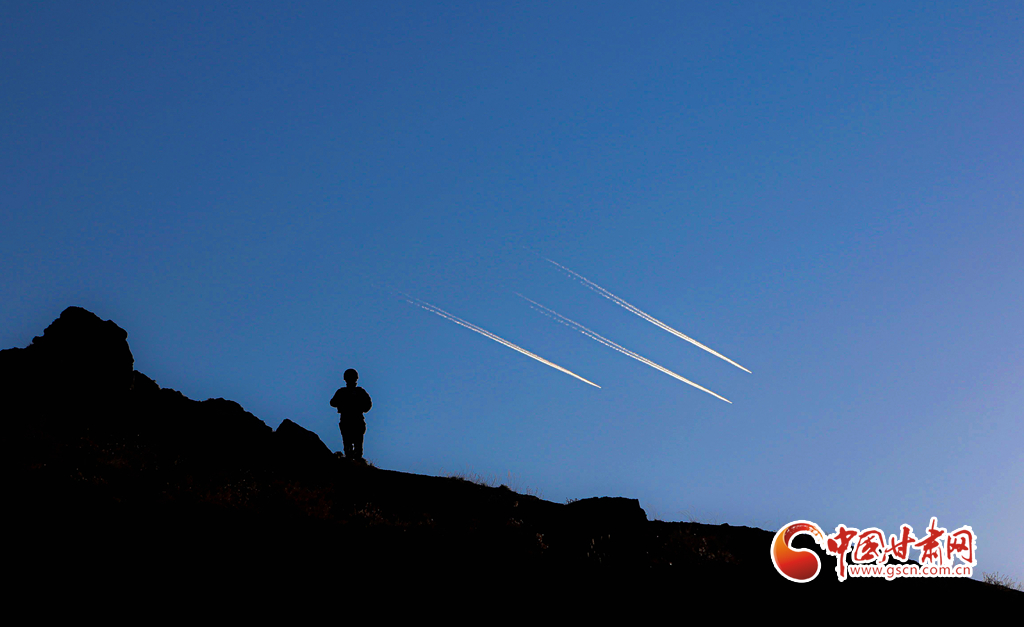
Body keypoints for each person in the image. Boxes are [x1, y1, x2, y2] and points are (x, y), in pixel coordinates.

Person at [330, 368, 372, 461]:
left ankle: (355, 461)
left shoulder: (358, 392)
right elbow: (333, 402)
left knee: (355, 445)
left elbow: (368, 405)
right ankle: (353, 461)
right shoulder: (343, 392)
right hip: (348, 420)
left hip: (355, 420)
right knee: (349, 445)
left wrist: (357, 406)